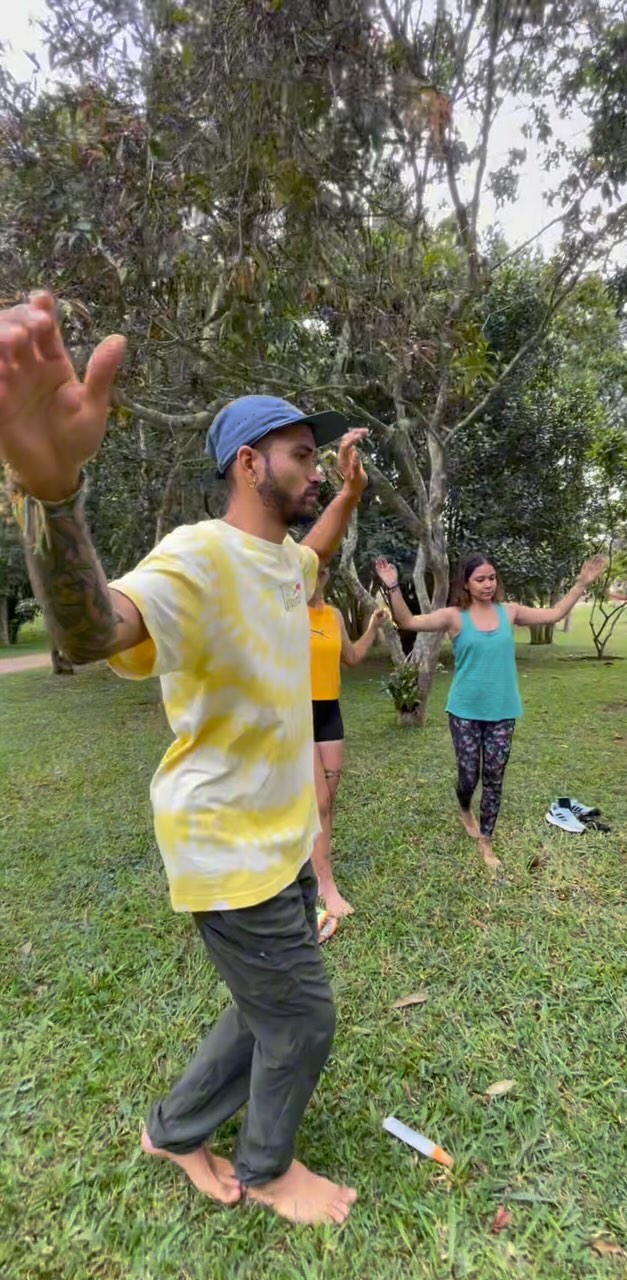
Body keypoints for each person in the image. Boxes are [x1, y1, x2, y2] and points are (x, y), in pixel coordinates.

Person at [0, 291, 370, 1226]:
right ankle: (269, 1168)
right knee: (301, 1017)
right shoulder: (196, 557)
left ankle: (172, 1129)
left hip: (278, 839)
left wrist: (353, 500)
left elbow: (312, 559)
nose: (314, 469)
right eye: (301, 455)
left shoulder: (283, 563)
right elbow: (94, 630)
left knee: (263, 1005)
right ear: (250, 464)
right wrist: (52, 495)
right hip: (224, 842)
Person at [375, 551, 606, 871]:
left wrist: (582, 582)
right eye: (480, 579)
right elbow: (408, 621)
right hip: (465, 711)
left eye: (491, 578)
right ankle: (463, 806)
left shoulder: (509, 612)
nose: (487, 584)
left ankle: (486, 841)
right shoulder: (454, 616)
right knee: (469, 776)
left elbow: (554, 614)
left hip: (502, 710)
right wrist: (393, 587)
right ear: (466, 584)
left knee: (495, 775)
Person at [308, 566, 387, 917]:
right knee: (319, 801)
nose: (315, 575)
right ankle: (324, 884)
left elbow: (352, 658)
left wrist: (372, 627)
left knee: (328, 800)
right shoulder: (284, 614)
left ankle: (312, 868)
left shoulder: (334, 615)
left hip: (329, 711)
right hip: (296, 713)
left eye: (320, 569)